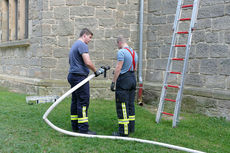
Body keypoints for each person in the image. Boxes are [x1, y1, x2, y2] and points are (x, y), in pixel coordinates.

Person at [67, 28, 101, 135]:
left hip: (72, 76)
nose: (90, 40)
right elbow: (87, 62)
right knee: (83, 102)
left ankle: (75, 126)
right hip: (80, 78)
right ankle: (83, 129)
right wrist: (96, 71)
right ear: (84, 35)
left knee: (75, 101)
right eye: (89, 37)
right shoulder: (82, 45)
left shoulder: (74, 45)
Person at [111, 36, 138, 137]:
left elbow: (119, 67)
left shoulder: (121, 52)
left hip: (124, 82)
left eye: (117, 45)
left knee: (122, 105)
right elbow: (134, 68)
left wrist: (113, 81)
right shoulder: (135, 53)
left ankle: (123, 132)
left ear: (119, 43)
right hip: (132, 79)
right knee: (130, 105)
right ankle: (131, 128)